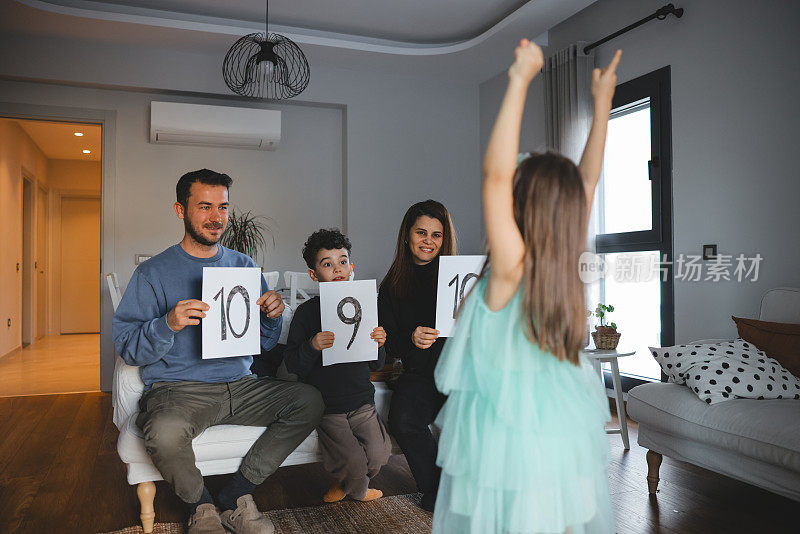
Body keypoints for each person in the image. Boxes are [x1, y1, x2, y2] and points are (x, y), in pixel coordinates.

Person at [432, 41, 622, 533]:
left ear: (520, 207)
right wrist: (602, 105)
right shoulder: (563, 262)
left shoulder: (512, 268)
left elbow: (495, 176)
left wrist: (519, 78)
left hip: (510, 444)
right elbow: (588, 181)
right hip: (561, 435)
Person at [113, 169, 324, 534]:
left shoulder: (242, 265)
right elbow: (128, 348)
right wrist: (168, 323)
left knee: (309, 400)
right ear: (181, 210)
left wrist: (272, 316)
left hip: (242, 385)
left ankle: (236, 496)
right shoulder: (152, 273)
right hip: (180, 389)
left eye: (223, 207)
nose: (217, 217)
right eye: (205, 206)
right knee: (162, 432)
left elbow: (262, 344)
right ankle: (202, 506)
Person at [281, 228, 392, 502]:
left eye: (342, 261)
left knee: (380, 453)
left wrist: (379, 343)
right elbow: (293, 365)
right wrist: (312, 346)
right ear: (313, 274)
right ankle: (357, 488)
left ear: (351, 267)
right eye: (327, 264)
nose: (337, 269)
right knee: (353, 462)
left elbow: (375, 363)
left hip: (362, 401)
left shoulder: (366, 306)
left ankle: (347, 485)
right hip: (328, 406)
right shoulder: (306, 313)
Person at [377, 199, 457, 512]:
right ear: (407, 236)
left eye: (436, 235)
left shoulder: (459, 278)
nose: (428, 241)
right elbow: (390, 346)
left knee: (471, 420)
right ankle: (438, 490)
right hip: (420, 374)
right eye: (421, 232)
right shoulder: (392, 286)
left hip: (461, 371)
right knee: (403, 419)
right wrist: (410, 338)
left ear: (444, 240)